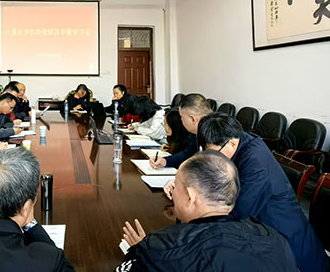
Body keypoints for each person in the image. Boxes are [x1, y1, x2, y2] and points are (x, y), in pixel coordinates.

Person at [116, 150, 296, 272]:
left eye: (175, 186)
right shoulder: (276, 240)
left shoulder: (160, 249)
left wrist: (141, 252)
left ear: (190, 196)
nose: (172, 193)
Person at [191, 113, 328, 272]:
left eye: (215, 153)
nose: (212, 158)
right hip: (260, 228)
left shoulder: (256, 163)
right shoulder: (235, 140)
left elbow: (239, 211)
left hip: (288, 245)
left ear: (232, 144)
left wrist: (194, 222)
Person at [150, 93, 211, 170]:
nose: (181, 120)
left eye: (182, 117)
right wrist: (165, 161)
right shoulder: (197, 133)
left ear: (193, 119)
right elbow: (186, 154)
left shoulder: (213, 136)